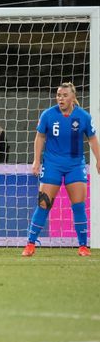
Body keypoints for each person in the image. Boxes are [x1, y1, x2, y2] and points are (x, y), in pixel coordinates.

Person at [22, 82, 100, 257]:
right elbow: (40, 137)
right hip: (52, 165)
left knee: (79, 205)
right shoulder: (48, 115)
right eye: (58, 95)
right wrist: (36, 161)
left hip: (75, 165)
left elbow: (93, 139)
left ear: (73, 97)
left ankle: (83, 246)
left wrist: (98, 160)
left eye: (64, 95)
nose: (61, 98)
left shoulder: (84, 117)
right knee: (43, 203)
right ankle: (30, 243)